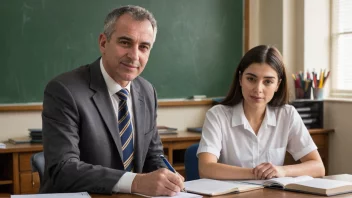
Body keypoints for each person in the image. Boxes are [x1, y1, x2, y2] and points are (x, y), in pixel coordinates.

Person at [41, 5, 184, 196]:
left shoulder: (147, 91)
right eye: (125, 43)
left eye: (144, 47)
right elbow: (63, 169)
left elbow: (153, 155)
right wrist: (135, 182)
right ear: (103, 43)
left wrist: (167, 176)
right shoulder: (64, 90)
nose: (134, 56)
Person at [197, 45, 325, 180]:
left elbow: (318, 167)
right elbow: (206, 169)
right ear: (240, 79)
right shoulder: (217, 115)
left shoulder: (287, 115)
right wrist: (257, 173)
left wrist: (282, 171)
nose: (258, 89)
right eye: (251, 79)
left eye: (268, 81)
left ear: (277, 85)